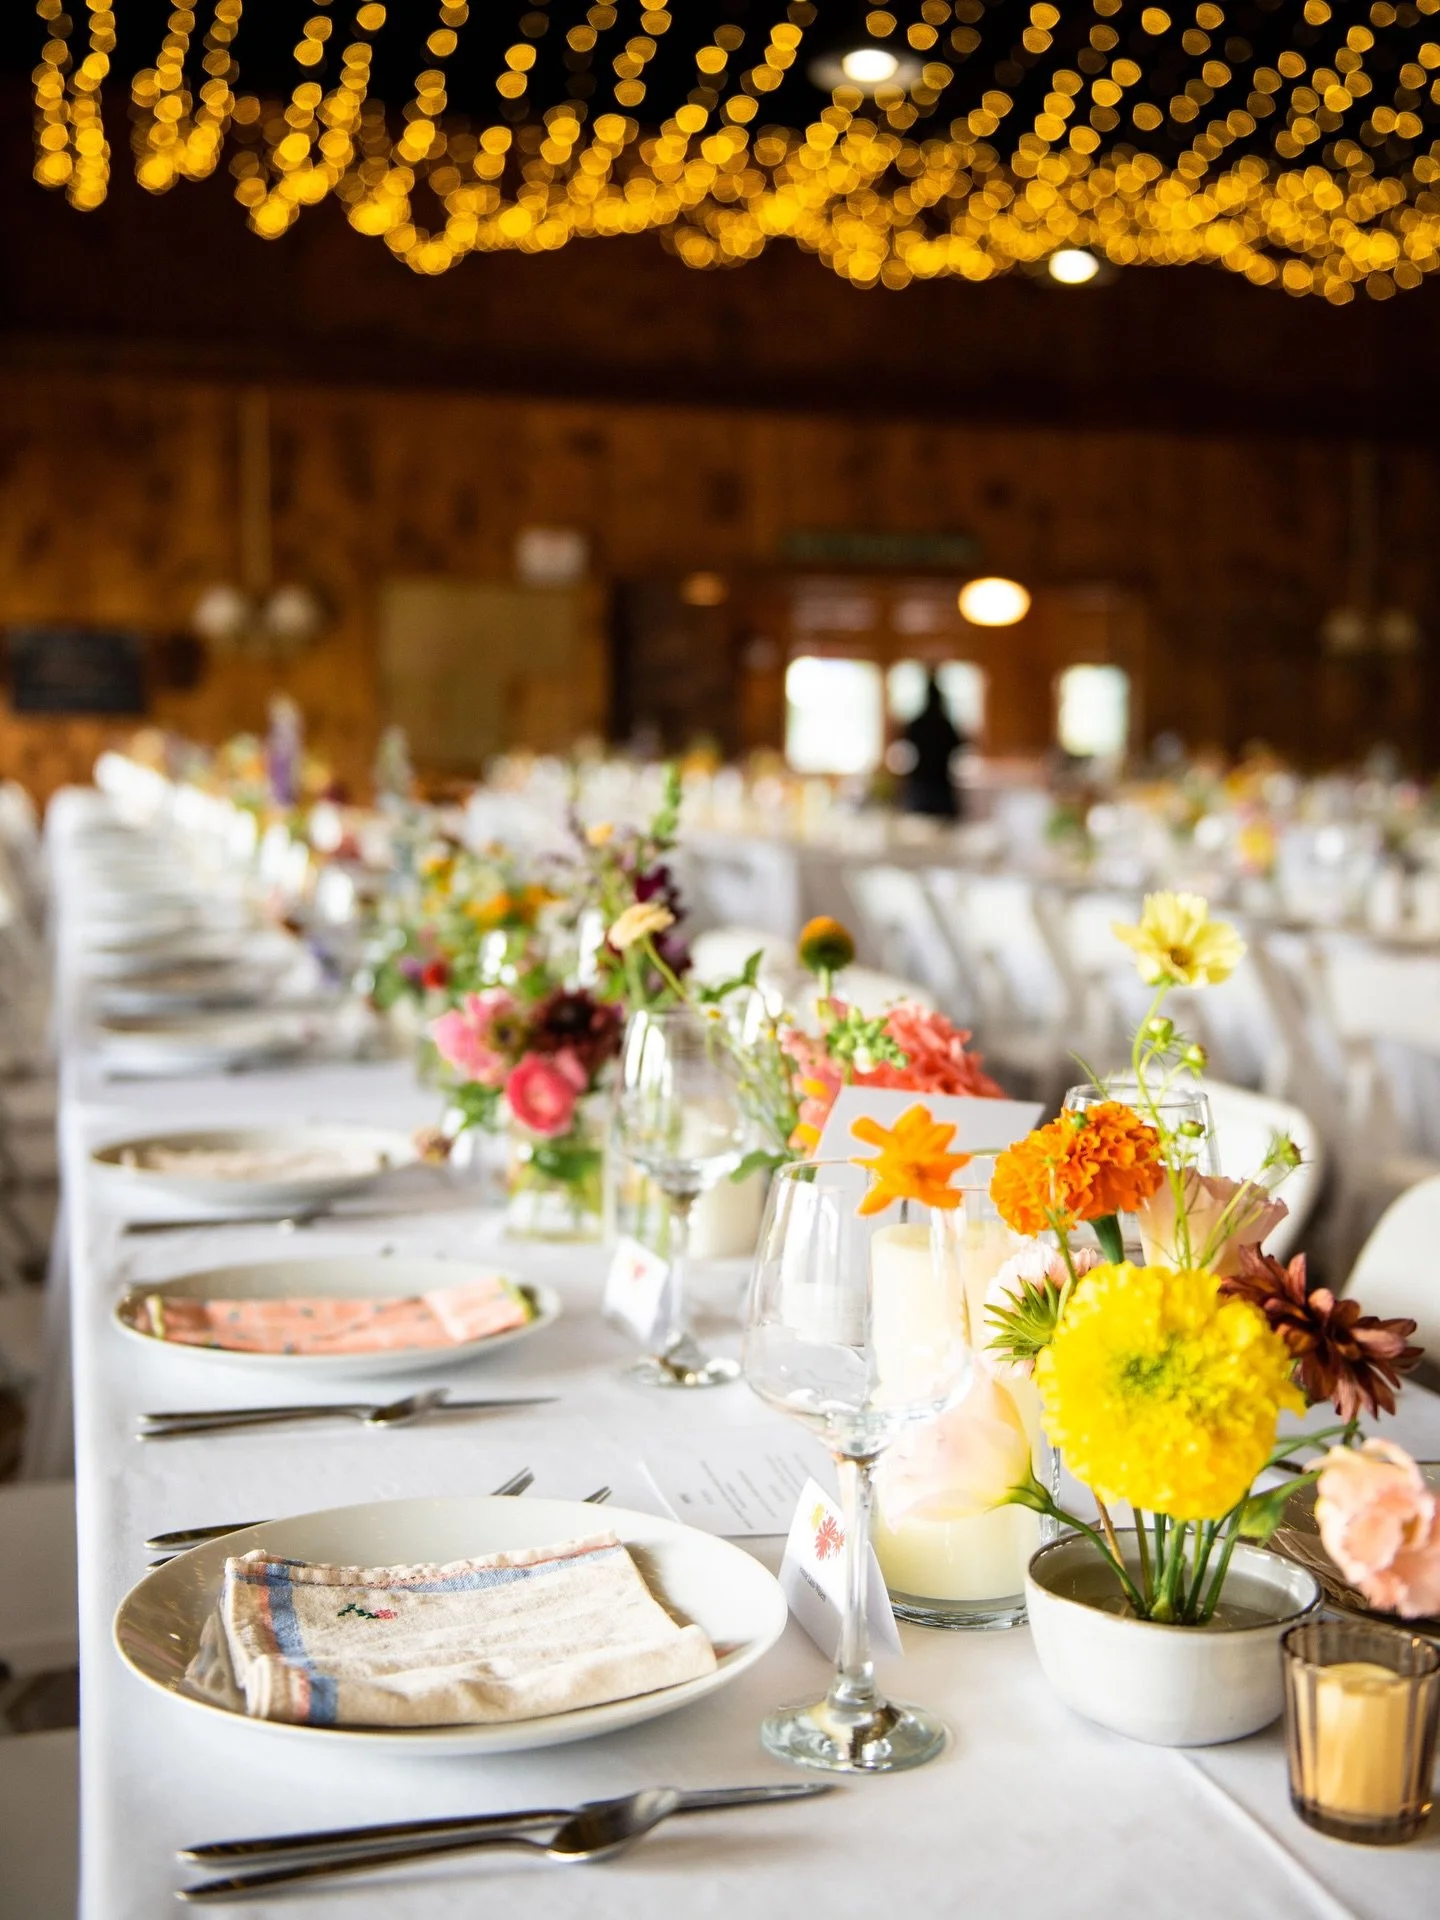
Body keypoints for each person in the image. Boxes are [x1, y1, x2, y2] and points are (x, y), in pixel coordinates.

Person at [900, 672, 964, 819]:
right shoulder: (946, 725)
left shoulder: (918, 723)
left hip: (925, 785)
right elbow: (959, 744)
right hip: (937, 784)